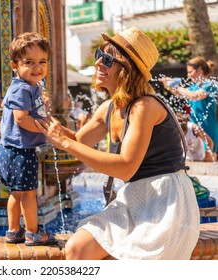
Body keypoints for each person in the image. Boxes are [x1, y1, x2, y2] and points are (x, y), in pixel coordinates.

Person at [35, 26, 200, 259]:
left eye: (108, 59)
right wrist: (38, 112)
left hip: (166, 201)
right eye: (99, 56)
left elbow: (125, 167)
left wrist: (67, 143)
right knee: (76, 248)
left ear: (127, 69)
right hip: (134, 197)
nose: (99, 63)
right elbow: (78, 141)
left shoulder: (145, 106)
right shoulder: (108, 108)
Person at [0, 32, 57, 246]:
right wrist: (44, 129)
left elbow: (30, 111)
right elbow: (21, 119)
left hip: (8, 149)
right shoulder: (23, 88)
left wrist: (43, 107)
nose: (36, 67)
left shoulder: (28, 86)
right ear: (15, 65)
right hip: (20, 151)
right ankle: (33, 232)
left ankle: (13, 230)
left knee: (16, 193)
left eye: (42, 62)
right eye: (29, 62)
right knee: (29, 193)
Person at [162, 56, 218, 161]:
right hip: (195, 129)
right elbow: (179, 94)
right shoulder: (193, 86)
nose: (188, 75)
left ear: (200, 70)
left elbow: (194, 96)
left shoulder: (209, 85)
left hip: (208, 127)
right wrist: (168, 85)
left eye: (190, 72)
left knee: (209, 160)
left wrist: (177, 87)